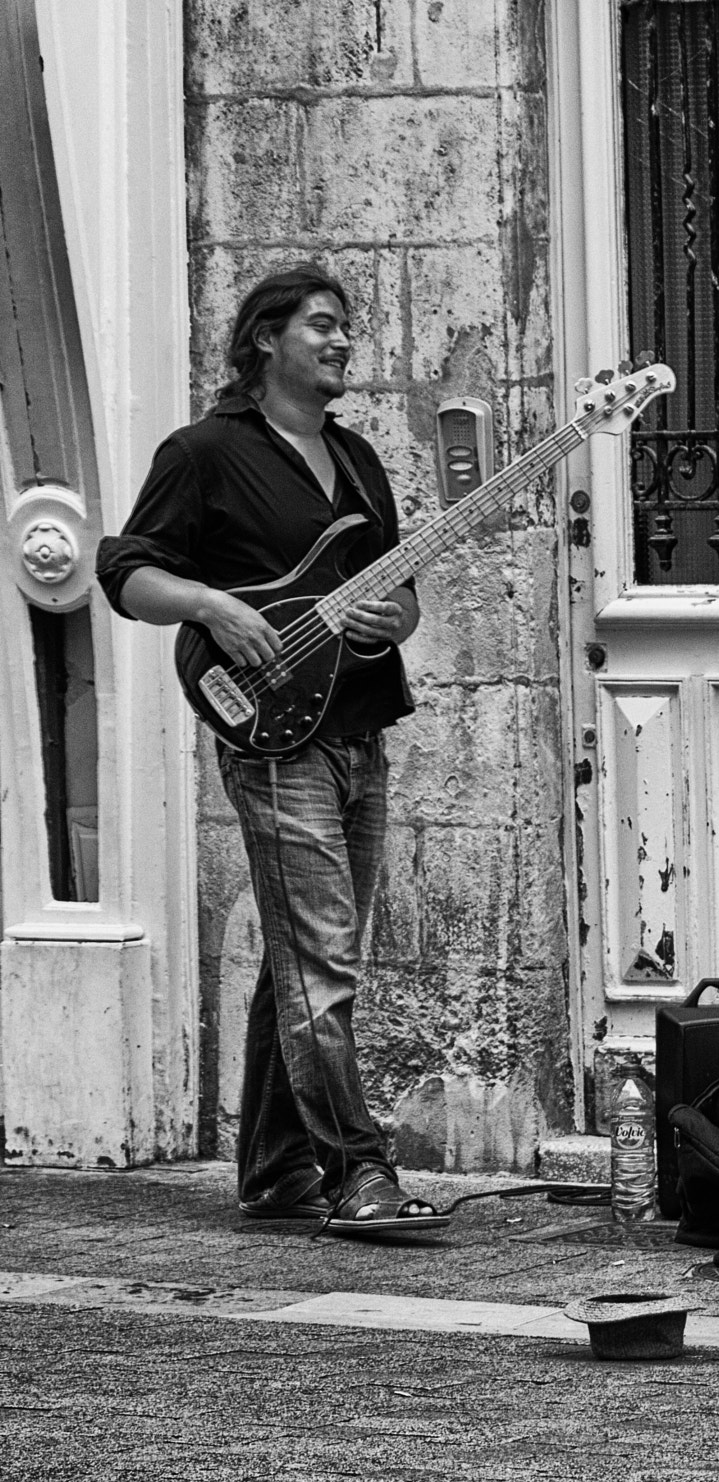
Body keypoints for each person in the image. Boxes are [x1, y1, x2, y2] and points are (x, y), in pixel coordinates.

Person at [96, 264, 444, 1236]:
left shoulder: (358, 458)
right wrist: (212, 603)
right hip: (272, 738)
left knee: (304, 955)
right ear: (264, 339)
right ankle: (357, 1171)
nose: (342, 342)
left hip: (360, 733)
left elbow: (399, 587)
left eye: (346, 329)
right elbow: (125, 571)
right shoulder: (205, 453)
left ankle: (270, 1168)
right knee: (322, 958)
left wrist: (392, 618)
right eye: (323, 325)